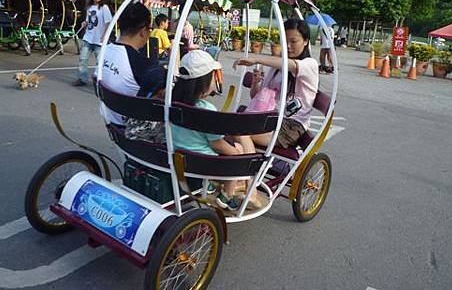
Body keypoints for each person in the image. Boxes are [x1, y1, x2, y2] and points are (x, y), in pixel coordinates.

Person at [172, 50, 263, 211]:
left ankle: (214, 187)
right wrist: (236, 151)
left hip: (179, 157)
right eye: (215, 76)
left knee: (234, 149)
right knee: (238, 152)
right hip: (205, 164)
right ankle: (226, 196)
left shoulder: (173, 103)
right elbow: (217, 145)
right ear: (206, 80)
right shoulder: (207, 110)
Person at [235, 18, 319, 149]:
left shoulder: (309, 65)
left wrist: (257, 58)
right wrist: (255, 83)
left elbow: (291, 66)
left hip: (290, 125)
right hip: (269, 116)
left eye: (293, 41)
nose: (288, 46)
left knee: (241, 133)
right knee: (230, 129)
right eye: (285, 41)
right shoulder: (277, 66)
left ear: (306, 41)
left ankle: (250, 167)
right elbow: (256, 97)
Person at [99, 1, 158, 126]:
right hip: (131, 129)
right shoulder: (142, 64)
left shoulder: (104, 51)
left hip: (110, 121)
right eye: (150, 29)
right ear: (143, 31)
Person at [73, 0, 112, 86]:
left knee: (100, 62)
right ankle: (82, 78)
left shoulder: (104, 8)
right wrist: (84, 23)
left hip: (99, 39)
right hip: (88, 37)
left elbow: (108, 23)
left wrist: (104, 36)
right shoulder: (89, 7)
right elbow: (89, 21)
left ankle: (99, 80)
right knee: (83, 59)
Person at [124, 66, 167, 143]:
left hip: (132, 147)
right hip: (151, 150)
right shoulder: (155, 119)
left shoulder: (134, 103)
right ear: (162, 91)